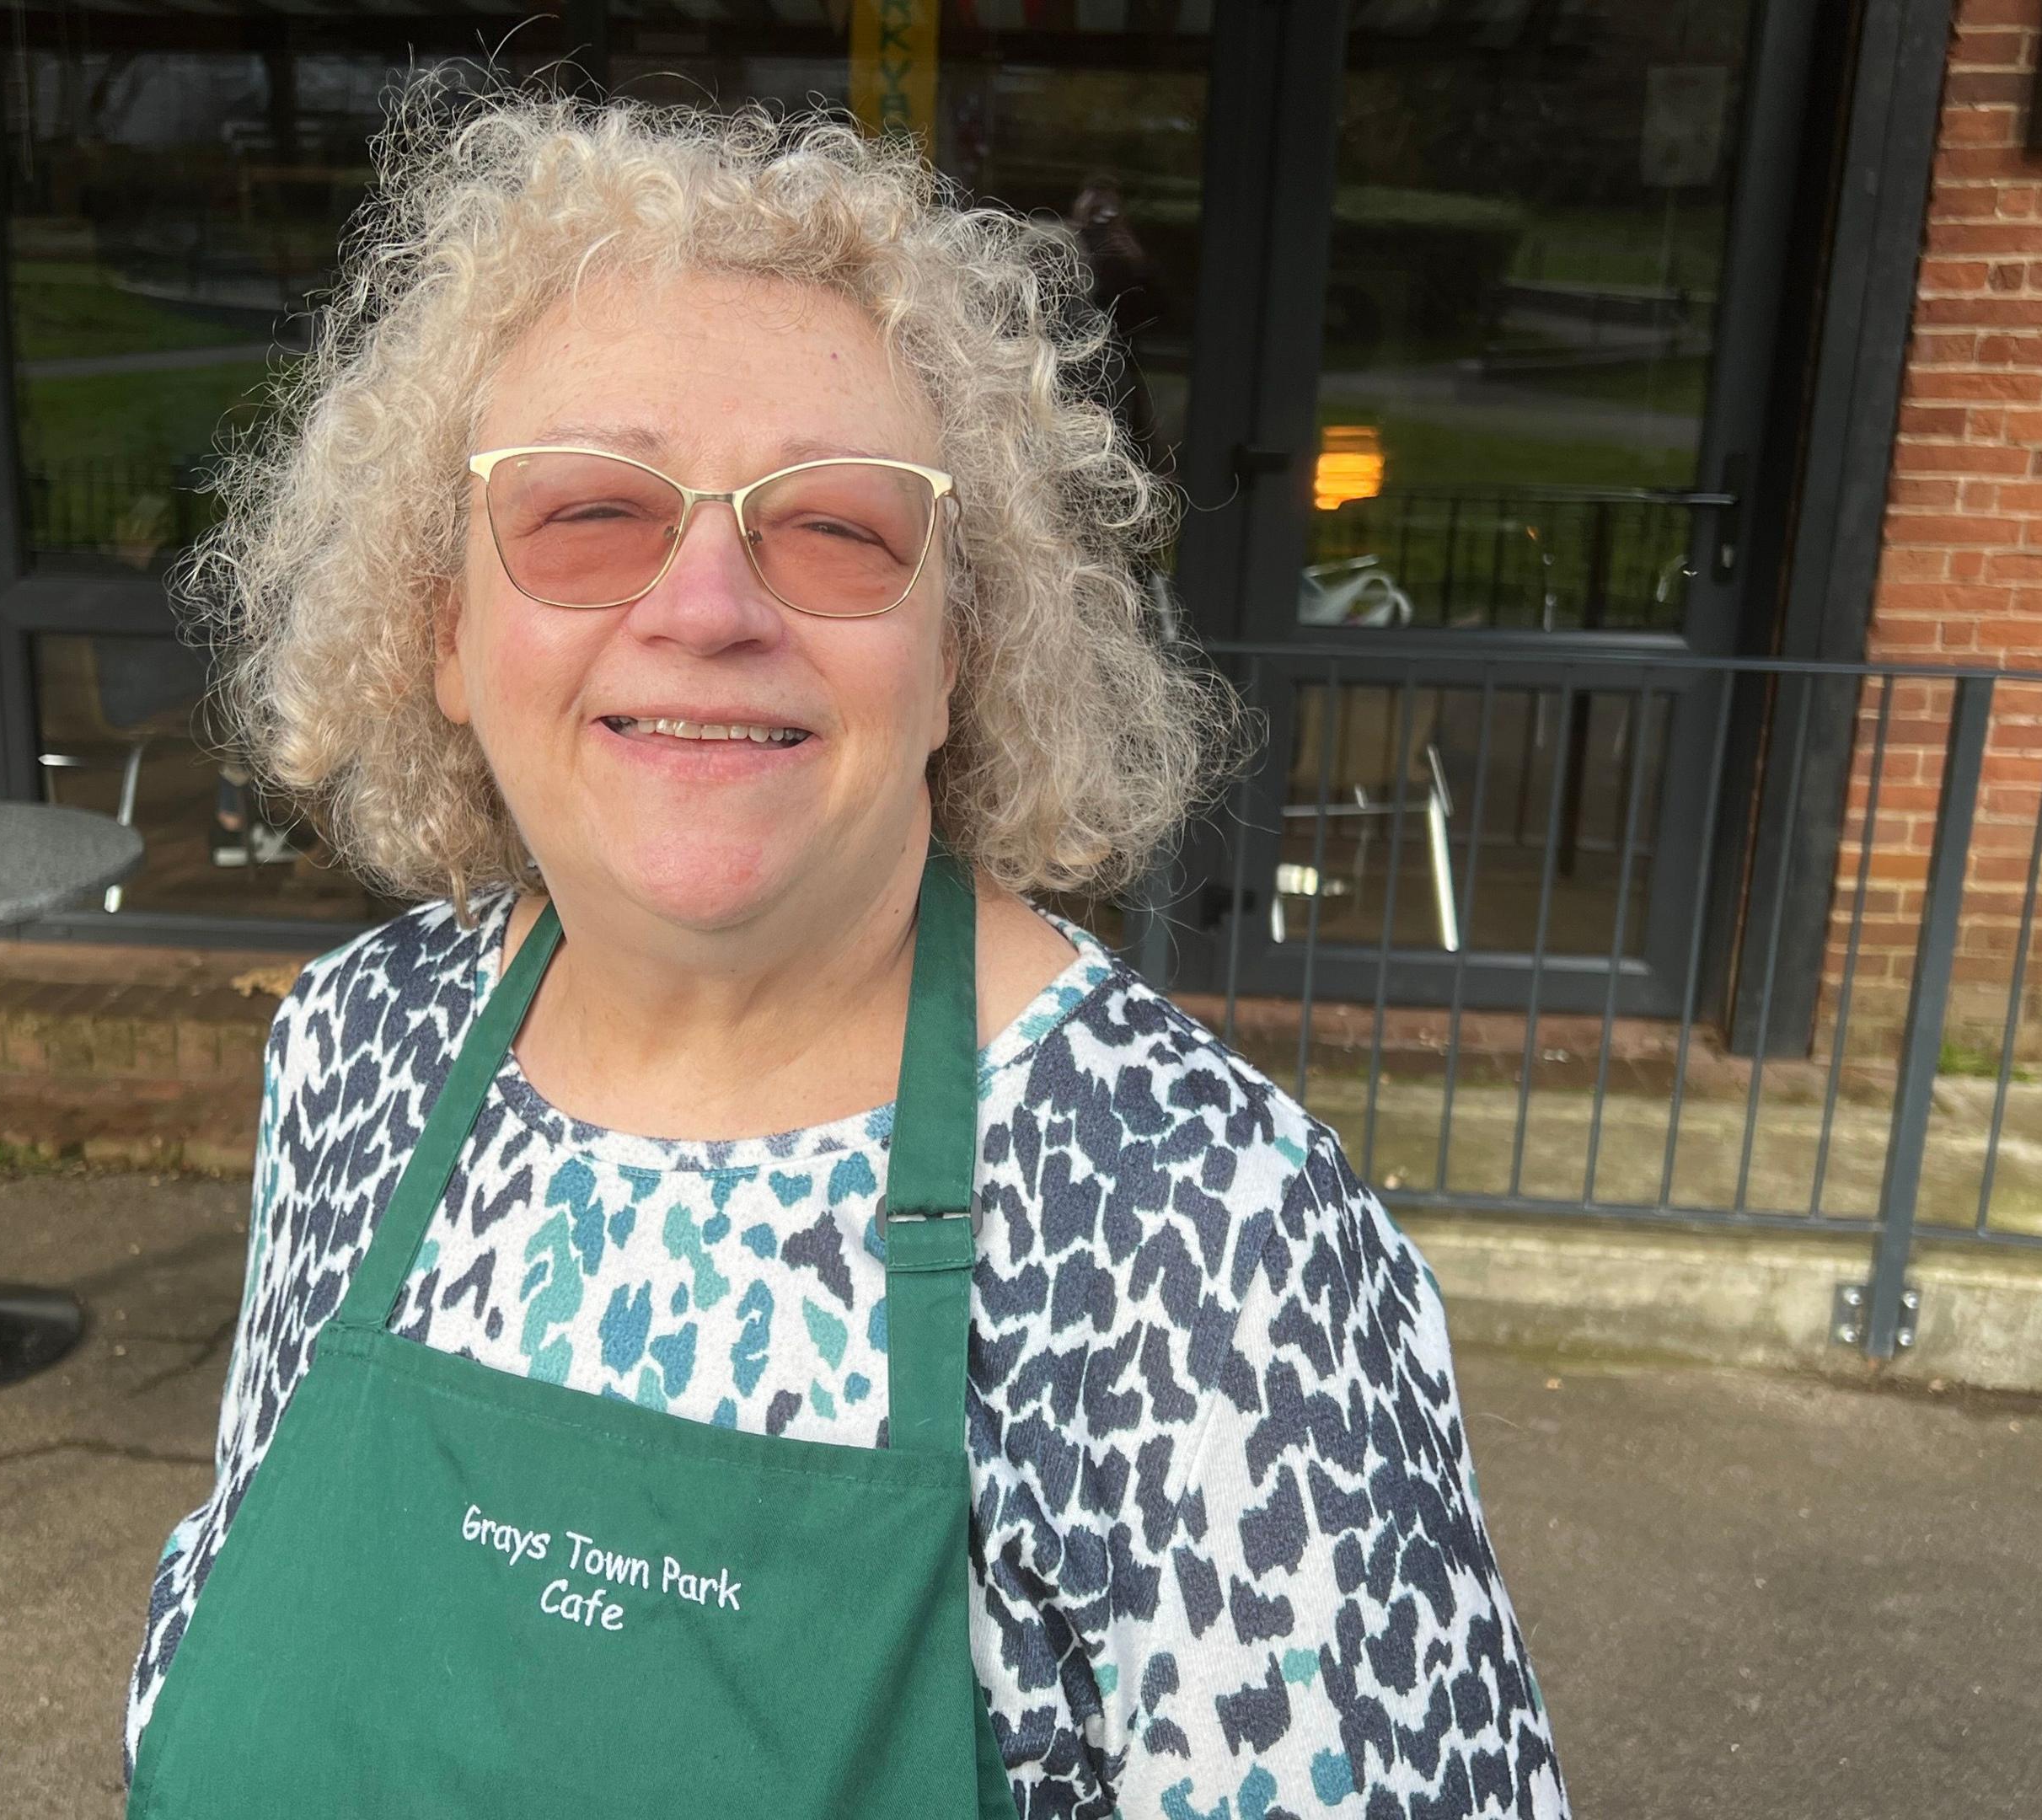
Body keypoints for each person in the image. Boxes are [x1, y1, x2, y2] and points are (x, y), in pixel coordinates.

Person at [125, 90, 1565, 1818]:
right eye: (588, 514)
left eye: (838, 529)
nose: (711, 606)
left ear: (959, 653)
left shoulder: (1207, 1244)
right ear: (444, 630)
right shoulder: (361, 1049)